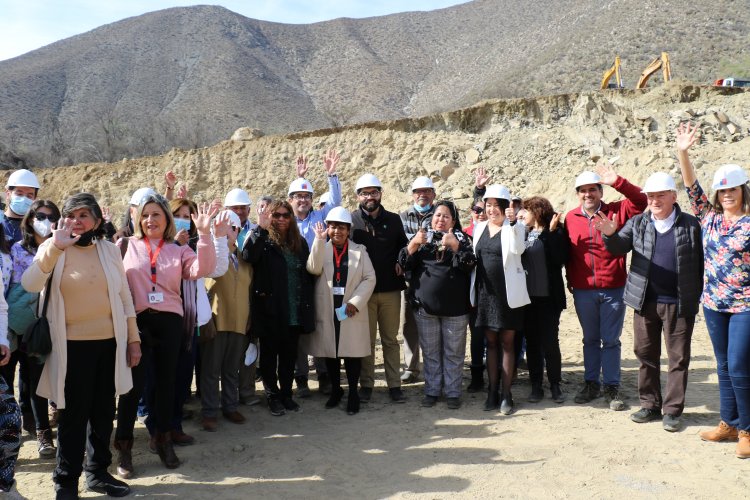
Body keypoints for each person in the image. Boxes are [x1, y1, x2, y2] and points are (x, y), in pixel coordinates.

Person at [22, 193, 141, 499]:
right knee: (73, 417)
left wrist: (133, 339)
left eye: (83, 215)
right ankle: (65, 482)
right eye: (70, 215)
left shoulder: (109, 250)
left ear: (97, 221)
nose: (76, 221)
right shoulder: (54, 247)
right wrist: (56, 248)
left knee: (103, 413)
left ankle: (98, 473)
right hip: (71, 348)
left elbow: (124, 296)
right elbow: (30, 283)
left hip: (109, 344)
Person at [597, 171, 703, 431]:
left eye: (660, 195)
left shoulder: (691, 224)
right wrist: (610, 234)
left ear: (673, 196)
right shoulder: (638, 223)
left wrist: (695, 294)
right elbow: (619, 248)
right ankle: (649, 404)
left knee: (678, 358)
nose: (654, 200)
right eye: (650, 196)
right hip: (644, 301)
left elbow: (702, 262)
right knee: (645, 355)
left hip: (678, 302)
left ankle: (672, 410)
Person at [116, 194, 216, 471]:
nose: (150, 220)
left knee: (165, 386)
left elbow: (202, 269)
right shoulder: (125, 246)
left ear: (167, 220)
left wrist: (205, 234)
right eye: (145, 215)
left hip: (171, 323)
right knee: (132, 388)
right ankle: (123, 447)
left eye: (156, 214)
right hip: (136, 323)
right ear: (138, 219)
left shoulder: (179, 249)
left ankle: (163, 440)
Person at [676, 122, 750, 457]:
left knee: (738, 366)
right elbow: (691, 186)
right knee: (722, 365)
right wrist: (683, 152)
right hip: (713, 303)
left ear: (743, 191)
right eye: (723, 190)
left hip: (745, 305)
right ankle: (729, 423)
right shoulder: (709, 217)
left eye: (733, 188)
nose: (728, 194)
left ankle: (747, 429)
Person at [565, 162, 647, 411]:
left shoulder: (616, 211)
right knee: (590, 339)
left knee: (610, 340)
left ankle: (611, 386)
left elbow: (641, 201)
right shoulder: (570, 218)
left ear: (601, 191)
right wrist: (571, 280)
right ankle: (591, 382)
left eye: (593, 189)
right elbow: (570, 253)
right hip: (582, 290)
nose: (588, 194)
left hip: (613, 287)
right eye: (583, 190)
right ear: (578, 193)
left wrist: (618, 182)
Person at [399, 201, 475, 409]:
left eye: (446, 216)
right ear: (431, 218)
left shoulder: (463, 239)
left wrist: (455, 246)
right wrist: (414, 244)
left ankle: (452, 392)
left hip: (456, 310)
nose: (440, 220)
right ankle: (432, 391)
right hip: (425, 308)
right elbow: (403, 265)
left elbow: (470, 264)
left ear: (454, 220)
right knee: (430, 353)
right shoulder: (422, 239)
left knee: (453, 353)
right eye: (437, 215)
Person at [242, 200, 315, 416]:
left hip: (294, 309)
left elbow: (306, 274)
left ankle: (286, 394)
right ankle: (272, 396)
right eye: (277, 215)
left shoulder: (299, 242)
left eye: (286, 215)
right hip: (270, 310)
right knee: (269, 356)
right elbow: (248, 256)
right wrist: (260, 228)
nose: (281, 219)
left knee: (288, 356)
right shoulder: (262, 239)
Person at [307, 208, 376, 414]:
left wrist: (356, 301)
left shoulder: (359, 251)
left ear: (348, 230)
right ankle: (336, 390)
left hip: (350, 309)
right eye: (333, 226)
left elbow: (370, 278)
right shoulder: (321, 247)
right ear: (328, 228)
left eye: (342, 227)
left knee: (352, 354)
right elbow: (313, 269)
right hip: (328, 307)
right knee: (331, 352)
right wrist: (318, 241)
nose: (337, 231)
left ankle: (353, 392)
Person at [7, 200, 61, 458]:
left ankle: (47, 430)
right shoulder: (17, 250)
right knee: (24, 380)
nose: (45, 221)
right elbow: (17, 288)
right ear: (29, 220)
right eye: (40, 215)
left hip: (53, 324)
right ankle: (30, 434)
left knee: (46, 379)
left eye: (51, 217)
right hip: (23, 326)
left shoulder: (62, 248)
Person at [471, 184, 529, 414]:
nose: (492, 210)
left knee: (507, 344)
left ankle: (507, 394)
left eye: (497, 205)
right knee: (491, 344)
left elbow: (518, 249)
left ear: (506, 208)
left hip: (507, 296)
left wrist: (514, 224)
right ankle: (492, 391)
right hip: (485, 295)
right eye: (489, 205)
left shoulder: (515, 227)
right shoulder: (479, 227)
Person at [350, 174, 408, 404]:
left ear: (380, 193)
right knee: (366, 340)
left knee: (391, 340)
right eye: (365, 193)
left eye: (374, 192)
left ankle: (394, 385)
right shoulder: (352, 220)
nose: (369, 197)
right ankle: (367, 384)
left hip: (390, 290)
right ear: (358, 196)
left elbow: (404, 246)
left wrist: (401, 262)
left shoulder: (394, 220)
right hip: (362, 292)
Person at [288, 150, 342, 396]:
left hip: (319, 278)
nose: (303, 200)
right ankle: (300, 377)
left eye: (307, 196)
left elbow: (335, 202)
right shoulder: (285, 221)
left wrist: (331, 175)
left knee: (320, 324)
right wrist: (298, 177)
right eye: (298, 196)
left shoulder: (320, 216)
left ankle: (323, 374)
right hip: (294, 280)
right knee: (297, 328)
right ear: (290, 200)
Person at [201, 210, 252, 430]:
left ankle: (230, 407)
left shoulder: (245, 259)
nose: (231, 232)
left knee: (232, 368)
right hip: (217, 319)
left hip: (239, 321)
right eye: (226, 228)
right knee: (211, 369)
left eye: (234, 228)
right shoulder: (210, 255)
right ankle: (210, 411)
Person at [2, 169, 41, 437]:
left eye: (30, 195)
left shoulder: (36, 226)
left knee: (32, 370)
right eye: (19, 193)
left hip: (32, 312)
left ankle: (31, 419)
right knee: (5, 370)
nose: (24, 199)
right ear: (7, 193)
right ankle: (8, 422)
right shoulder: (1, 226)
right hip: (3, 314)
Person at [521, 196, 569, 404]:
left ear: (537, 211)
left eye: (527, 210)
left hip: (549, 298)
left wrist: (550, 232)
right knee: (532, 344)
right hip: (528, 299)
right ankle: (536, 385)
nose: (523, 214)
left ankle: (555, 385)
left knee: (550, 343)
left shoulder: (556, 231)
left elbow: (560, 259)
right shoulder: (525, 232)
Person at [399, 175, 437, 383]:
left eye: (426, 191)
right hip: (411, 279)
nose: (422, 194)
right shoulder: (402, 217)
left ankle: (436, 367)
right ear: (412, 194)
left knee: (436, 322)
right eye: (418, 191)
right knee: (410, 324)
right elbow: (403, 247)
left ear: (433, 194)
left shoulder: (441, 214)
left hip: (435, 277)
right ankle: (412, 368)